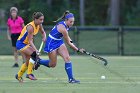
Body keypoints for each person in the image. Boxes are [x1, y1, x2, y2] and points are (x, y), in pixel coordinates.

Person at [35, 10, 85, 84]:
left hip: (58, 41)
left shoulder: (67, 26)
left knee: (67, 58)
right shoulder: (63, 28)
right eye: (70, 22)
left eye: (73, 22)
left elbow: (69, 39)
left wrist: (76, 47)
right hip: (51, 43)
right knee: (53, 64)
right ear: (66, 20)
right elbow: (68, 42)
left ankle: (71, 79)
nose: (72, 23)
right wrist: (77, 49)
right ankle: (39, 61)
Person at [15, 12, 46, 82]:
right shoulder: (30, 27)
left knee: (27, 62)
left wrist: (44, 37)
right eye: (40, 20)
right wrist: (36, 50)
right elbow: (30, 41)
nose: (42, 21)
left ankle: (18, 76)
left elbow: (43, 32)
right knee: (34, 54)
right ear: (35, 19)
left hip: (27, 44)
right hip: (21, 44)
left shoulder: (39, 25)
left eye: (43, 20)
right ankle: (29, 74)